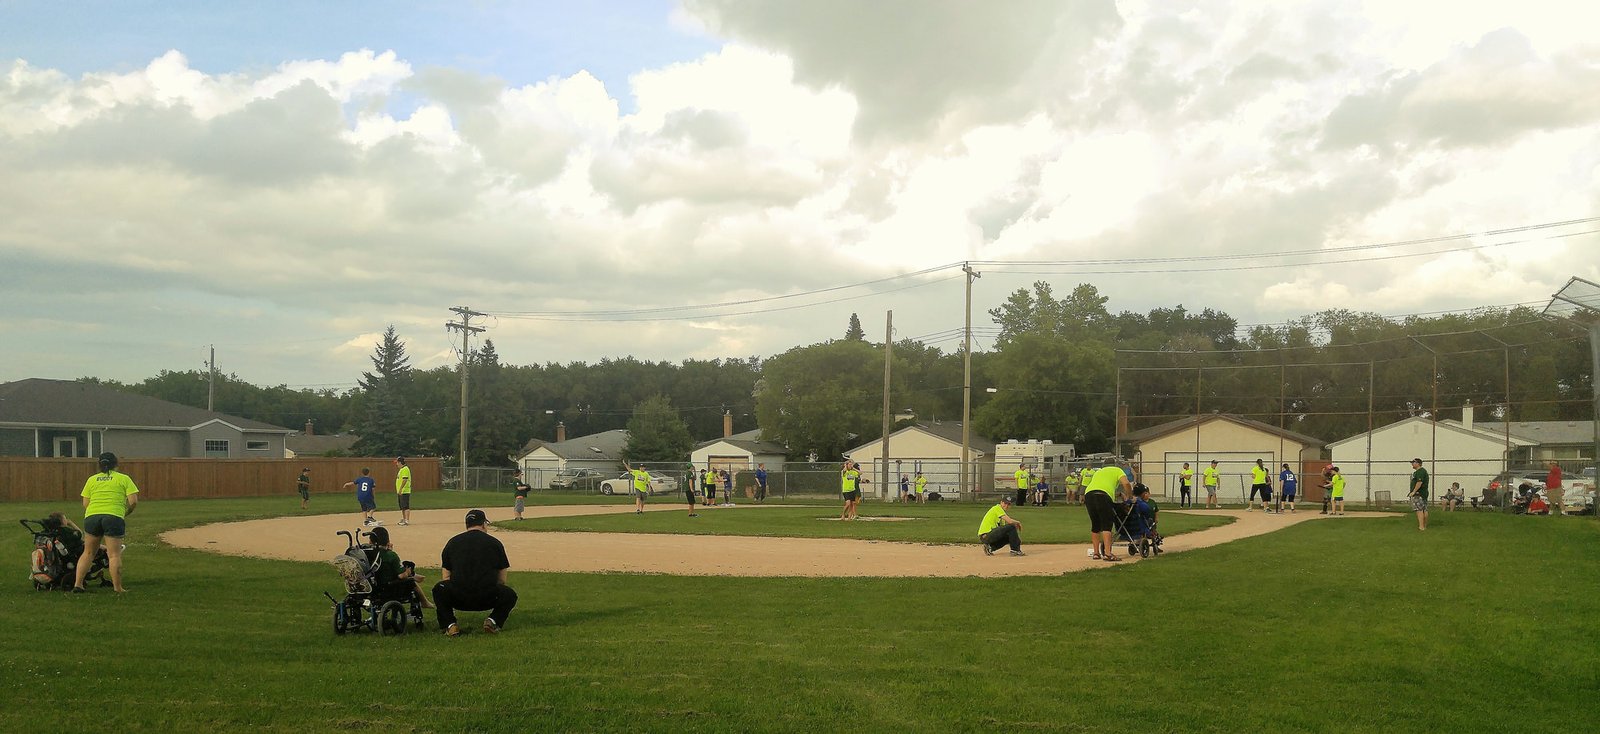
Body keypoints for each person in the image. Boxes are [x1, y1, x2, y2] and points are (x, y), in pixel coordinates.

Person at [433, 509, 517, 636]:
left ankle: (450, 625)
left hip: (458, 597)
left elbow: (446, 577)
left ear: (467, 525)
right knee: (510, 594)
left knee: (439, 589)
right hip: (487, 597)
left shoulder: (452, 543)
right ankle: (492, 621)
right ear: (483, 524)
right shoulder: (495, 544)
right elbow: (502, 580)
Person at [73, 452, 138, 593]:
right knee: (114, 554)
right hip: (113, 516)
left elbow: (85, 503)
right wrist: (126, 512)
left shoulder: (91, 480)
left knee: (88, 552)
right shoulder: (124, 479)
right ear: (116, 464)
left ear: (100, 465)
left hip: (92, 517)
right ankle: (117, 588)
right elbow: (133, 501)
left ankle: (78, 584)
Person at [367, 525, 433, 609]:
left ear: (370, 541)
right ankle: (424, 602)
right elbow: (401, 576)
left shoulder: (368, 555)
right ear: (387, 540)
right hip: (388, 588)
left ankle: (415, 576)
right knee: (411, 581)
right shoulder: (391, 555)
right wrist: (408, 572)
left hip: (372, 587)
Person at [1085, 462, 1133, 562]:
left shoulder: (1099, 472)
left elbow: (1102, 486)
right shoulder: (1118, 470)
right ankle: (1107, 553)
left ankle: (1096, 553)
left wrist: (1118, 493)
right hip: (1103, 496)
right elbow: (1126, 483)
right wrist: (1130, 497)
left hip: (1089, 494)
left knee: (1095, 524)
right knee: (1107, 524)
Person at [1408, 458, 1429, 531]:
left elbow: (1419, 482)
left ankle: (1421, 526)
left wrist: (1414, 491)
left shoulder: (1420, 471)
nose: (1412, 464)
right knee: (1424, 510)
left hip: (1418, 494)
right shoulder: (1421, 471)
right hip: (1423, 494)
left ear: (1418, 463)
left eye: (1413, 462)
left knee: (1419, 510)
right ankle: (1424, 526)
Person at [394, 456, 413, 526]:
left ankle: (407, 520)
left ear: (400, 462)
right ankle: (404, 518)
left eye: (397, 463)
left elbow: (405, 479)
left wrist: (401, 489)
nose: (396, 464)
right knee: (402, 506)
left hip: (404, 491)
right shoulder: (401, 469)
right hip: (400, 491)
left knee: (405, 506)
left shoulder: (405, 469)